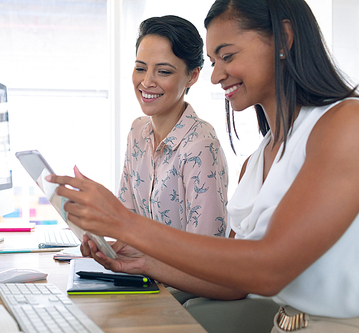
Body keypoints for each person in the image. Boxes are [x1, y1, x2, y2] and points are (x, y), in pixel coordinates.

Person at [48, 0, 359, 331]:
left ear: (283, 39)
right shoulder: (256, 161)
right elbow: (235, 283)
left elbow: (268, 270)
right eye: (213, 61)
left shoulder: (345, 124)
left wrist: (123, 222)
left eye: (227, 56)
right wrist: (142, 262)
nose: (215, 76)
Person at [119, 15, 228, 238]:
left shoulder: (201, 146)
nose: (147, 82)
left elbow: (206, 253)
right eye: (140, 68)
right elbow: (125, 225)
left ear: (193, 76)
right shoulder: (137, 132)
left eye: (164, 71)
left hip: (177, 274)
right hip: (137, 272)